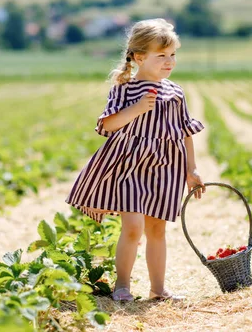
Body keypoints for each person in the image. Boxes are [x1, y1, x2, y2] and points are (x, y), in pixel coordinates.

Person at [65, 18, 206, 302]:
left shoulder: (175, 92)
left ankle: (158, 289)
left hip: (165, 167)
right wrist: (139, 108)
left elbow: (186, 132)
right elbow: (108, 125)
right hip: (129, 166)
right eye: (161, 56)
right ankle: (122, 285)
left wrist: (191, 170)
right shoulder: (124, 88)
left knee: (157, 228)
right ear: (139, 57)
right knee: (133, 227)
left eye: (173, 55)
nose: (169, 62)